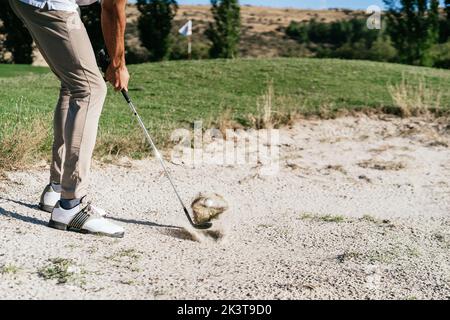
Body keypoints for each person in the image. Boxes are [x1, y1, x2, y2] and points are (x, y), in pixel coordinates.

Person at [8, 0, 130, 238]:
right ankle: (71, 205)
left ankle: (57, 189)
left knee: (73, 85)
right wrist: (117, 63)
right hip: (51, 4)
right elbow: (113, 6)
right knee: (90, 89)